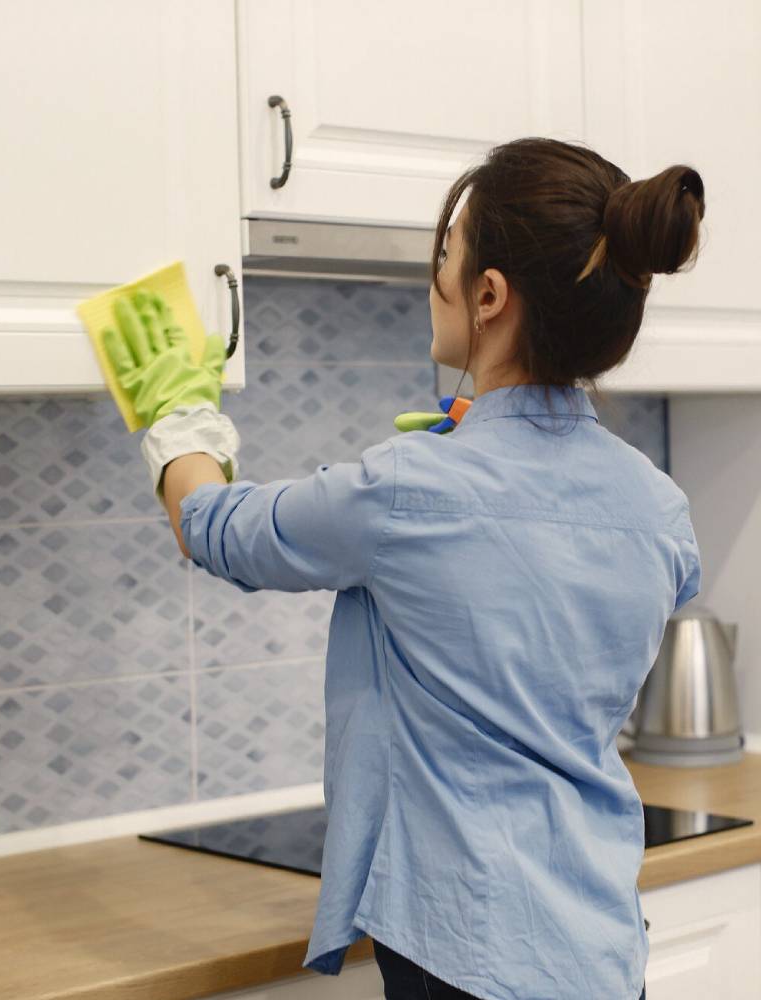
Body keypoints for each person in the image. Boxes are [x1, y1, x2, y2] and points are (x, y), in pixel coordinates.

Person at [104, 136, 705, 1000]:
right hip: (602, 947)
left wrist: (179, 416)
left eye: (445, 257)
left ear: (489, 296)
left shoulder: (405, 493)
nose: (435, 279)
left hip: (463, 953)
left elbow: (215, 528)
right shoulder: (659, 508)